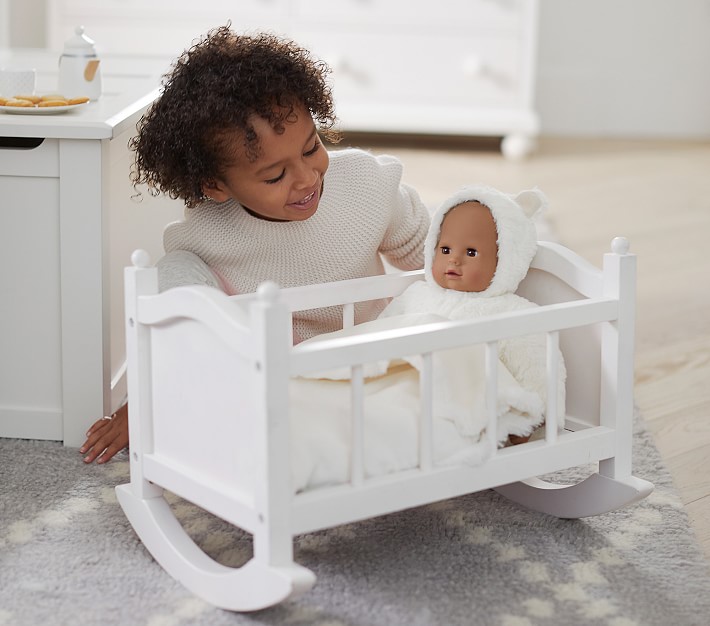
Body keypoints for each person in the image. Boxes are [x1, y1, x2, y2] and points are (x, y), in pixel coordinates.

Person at [80, 25, 430, 464]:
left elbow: (435, 253)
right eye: (274, 176)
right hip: (283, 388)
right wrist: (145, 398)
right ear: (215, 185)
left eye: (311, 148)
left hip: (381, 365)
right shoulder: (204, 239)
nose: (306, 178)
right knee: (177, 290)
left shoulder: (365, 185)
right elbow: (175, 322)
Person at [377, 184, 567, 444]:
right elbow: (380, 334)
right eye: (445, 250)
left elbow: (537, 364)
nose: (454, 260)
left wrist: (534, 416)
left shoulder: (510, 313)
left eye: (471, 253)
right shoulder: (417, 295)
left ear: (505, 261)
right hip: (405, 385)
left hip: (461, 402)